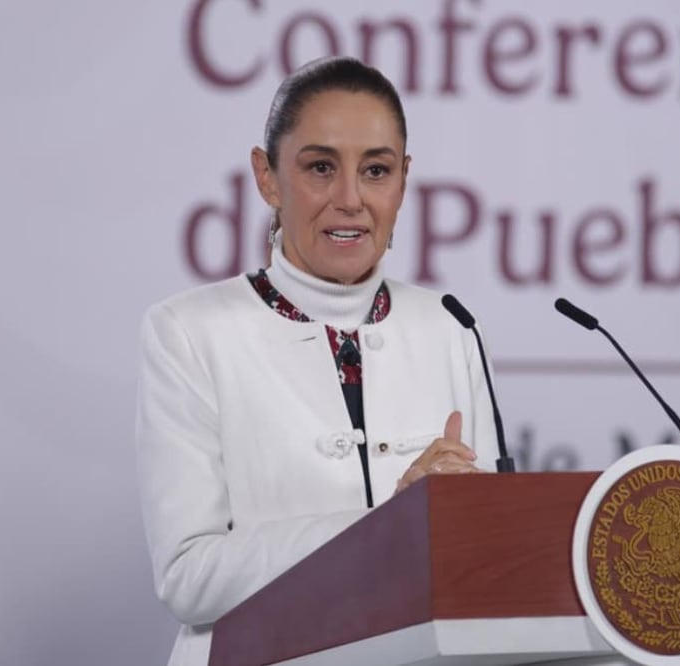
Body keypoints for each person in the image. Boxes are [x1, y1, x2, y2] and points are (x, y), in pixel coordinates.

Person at [135, 56, 499, 666]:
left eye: (376, 170)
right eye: (321, 168)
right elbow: (188, 576)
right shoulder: (188, 332)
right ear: (268, 177)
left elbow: (484, 558)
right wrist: (387, 527)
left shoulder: (449, 327)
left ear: (404, 181)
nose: (350, 199)